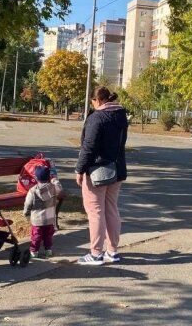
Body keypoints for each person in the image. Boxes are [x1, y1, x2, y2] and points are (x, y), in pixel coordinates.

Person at [75, 86, 128, 265]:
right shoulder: (121, 116)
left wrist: (79, 169)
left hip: (97, 171)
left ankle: (96, 253)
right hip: (117, 168)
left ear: (96, 100)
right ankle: (112, 251)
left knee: (95, 210)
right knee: (111, 208)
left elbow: (89, 147)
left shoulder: (96, 118)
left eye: (92, 102)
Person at [23, 165, 63, 258]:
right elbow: (59, 188)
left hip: (37, 219)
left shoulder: (33, 191)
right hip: (49, 218)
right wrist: (54, 179)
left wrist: (26, 213)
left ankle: (34, 251)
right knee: (48, 235)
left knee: (36, 236)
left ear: (36, 178)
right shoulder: (53, 188)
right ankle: (48, 250)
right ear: (48, 177)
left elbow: (28, 204)